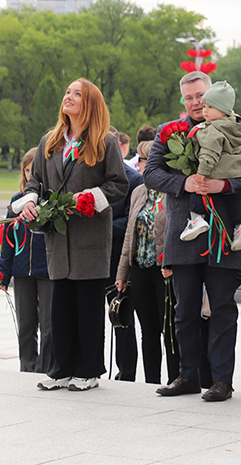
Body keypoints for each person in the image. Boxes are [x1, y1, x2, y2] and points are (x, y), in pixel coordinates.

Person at [145, 70, 241, 402]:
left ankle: (222, 380)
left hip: (226, 234)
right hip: (184, 233)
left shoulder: (235, 126)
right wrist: (185, 183)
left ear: (211, 94)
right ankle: (187, 375)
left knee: (223, 308)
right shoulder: (170, 132)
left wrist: (222, 185)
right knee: (185, 311)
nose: (197, 102)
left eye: (201, 95)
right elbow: (151, 173)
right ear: (183, 100)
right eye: (189, 97)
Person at [14, 79, 129, 391]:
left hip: (89, 237)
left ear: (89, 103)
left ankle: (89, 370)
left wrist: (91, 198)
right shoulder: (49, 142)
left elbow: (118, 185)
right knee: (61, 306)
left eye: (76, 94)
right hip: (57, 238)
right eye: (67, 92)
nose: (69, 97)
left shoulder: (104, 142)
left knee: (88, 306)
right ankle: (60, 369)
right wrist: (29, 202)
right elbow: (35, 182)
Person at [116, 141, 180, 385]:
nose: (138, 164)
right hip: (140, 270)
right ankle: (152, 381)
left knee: (170, 332)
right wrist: (123, 273)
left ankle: (176, 380)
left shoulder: (174, 192)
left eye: (142, 160)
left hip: (165, 272)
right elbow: (129, 238)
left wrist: (173, 263)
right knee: (148, 331)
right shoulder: (138, 192)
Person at [179, 80, 241, 252]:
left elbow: (209, 155)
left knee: (199, 189)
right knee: (234, 199)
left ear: (222, 110)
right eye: (188, 98)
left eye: (208, 107)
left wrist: (200, 174)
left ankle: (197, 219)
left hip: (216, 171)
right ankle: (240, 226)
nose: (203, 110)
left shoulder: (211, 129)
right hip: (236, 172)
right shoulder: (237, 126)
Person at [0, 147, 53, 374]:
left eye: (35, 170)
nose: (31, 175)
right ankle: (28, 366)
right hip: (22, 272)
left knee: (48, 324)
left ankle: (45, 367)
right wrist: (4, 272)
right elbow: (8, 239)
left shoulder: (51, 200)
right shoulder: (17, 201)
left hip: (48, 270)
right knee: (26, 324)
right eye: (27, 170)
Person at [107, 126, 144, 382]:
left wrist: (100, 229)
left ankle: (126, 372)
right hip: (89, 256)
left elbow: (132, 221)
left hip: (118, 258)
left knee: (122, 317)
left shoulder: (132, 179)